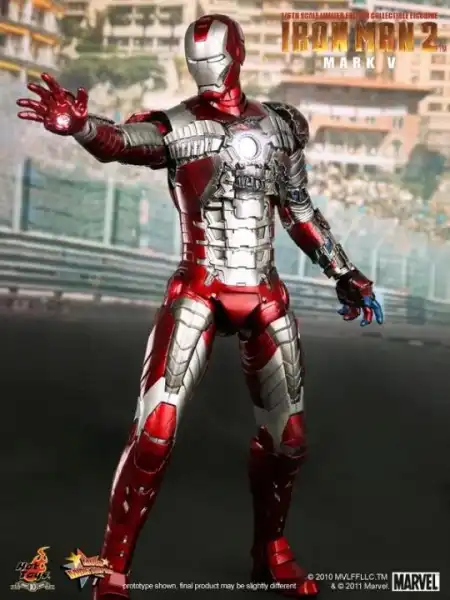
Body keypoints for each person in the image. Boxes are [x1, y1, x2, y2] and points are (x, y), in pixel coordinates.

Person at [17, 13, 383, 599]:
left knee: (289, 439)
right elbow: (123, 142)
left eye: (213, 56)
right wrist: (83, 128)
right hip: (199, 288)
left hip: (262, 292)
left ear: (236, 54)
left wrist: (344, 271)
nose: (207, 67)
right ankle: (112, 566)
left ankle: (271, 552)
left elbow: (297, 207)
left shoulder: (280, 125)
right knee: (155, 431)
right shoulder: (178, 125)